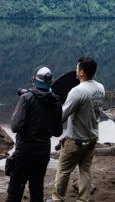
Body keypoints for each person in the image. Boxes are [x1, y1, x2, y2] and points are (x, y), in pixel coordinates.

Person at [6, 66, 63, 202]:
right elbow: (58, 131)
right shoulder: (56, 102)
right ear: (50, 82)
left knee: (15, 190)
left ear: (33, 80)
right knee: (37, 188)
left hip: (25, 151)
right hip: (43, 152)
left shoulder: (26, 99)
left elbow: (15, 126)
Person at [52, 57, 105, 202]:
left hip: (75, 140)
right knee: (85, 171)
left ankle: (57, 199)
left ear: (81, 72)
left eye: (77, 68)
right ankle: (82, 200)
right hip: (92, 138)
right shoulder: (100, 88)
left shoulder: (77, 91)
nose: (75, 70)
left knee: (63, 171)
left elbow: (62, 116)